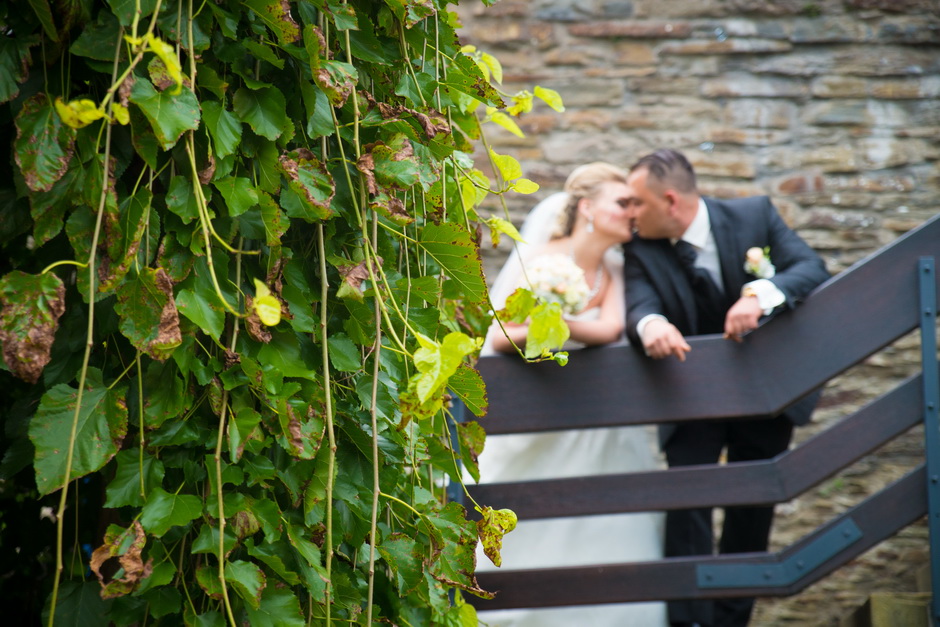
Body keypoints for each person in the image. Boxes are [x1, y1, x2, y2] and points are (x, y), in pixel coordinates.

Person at [620, 149, 830, 627]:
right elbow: (638, 305)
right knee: (687, 507)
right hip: (690, 397)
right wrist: (651, 326)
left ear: (669, 200)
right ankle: (688, 622)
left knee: (750, 516)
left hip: (766, 397)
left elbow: (809, 268)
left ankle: (732, 621)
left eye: (636, 202)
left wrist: (757, 294)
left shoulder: (753, 215)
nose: (630, 213)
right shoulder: (640, 248)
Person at [476, 162, 668, 627]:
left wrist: (557, 321)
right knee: (532, 522)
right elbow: (501, 336)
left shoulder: (614, 267)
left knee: (606, 527)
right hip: (537, 419)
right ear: (587, 208)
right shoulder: (541, 258)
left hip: (597, 421)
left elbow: (610, 327)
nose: (632, 213)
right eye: (623, 203)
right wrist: (548, 322)